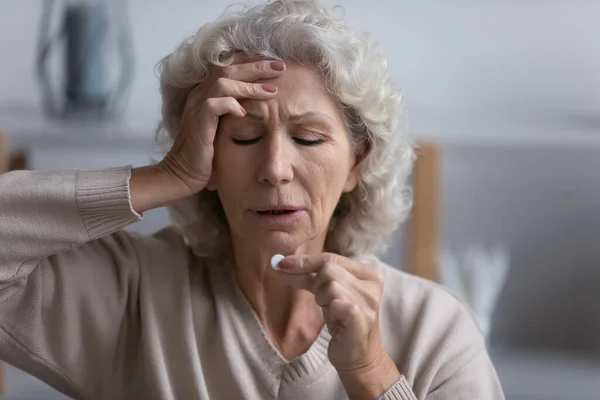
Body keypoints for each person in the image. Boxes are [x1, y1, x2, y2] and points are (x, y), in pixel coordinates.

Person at [0, 1, 505, 399]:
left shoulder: (434, 331)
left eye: (308, 139)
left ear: (356, 162)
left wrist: (371, 372)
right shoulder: (132, 295)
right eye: (243, 138)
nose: (274, 169)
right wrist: (165, 174)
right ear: (206, 158)